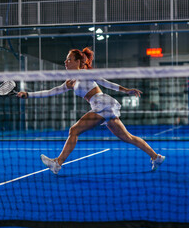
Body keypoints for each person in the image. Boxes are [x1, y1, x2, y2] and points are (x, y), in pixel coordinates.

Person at [17, 47, 165, 174]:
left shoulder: (86, 73)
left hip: (103, 104)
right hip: (100, 107)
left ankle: (57, 163)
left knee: (74, 130)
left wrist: (127, 91)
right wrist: (28, 94)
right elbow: (52, 91)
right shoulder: (70, 82)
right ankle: (155, 157)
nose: (65, 62)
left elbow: (105, 83)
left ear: (77, 62)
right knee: (127, 137)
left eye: (69, 59)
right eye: (66, 59)